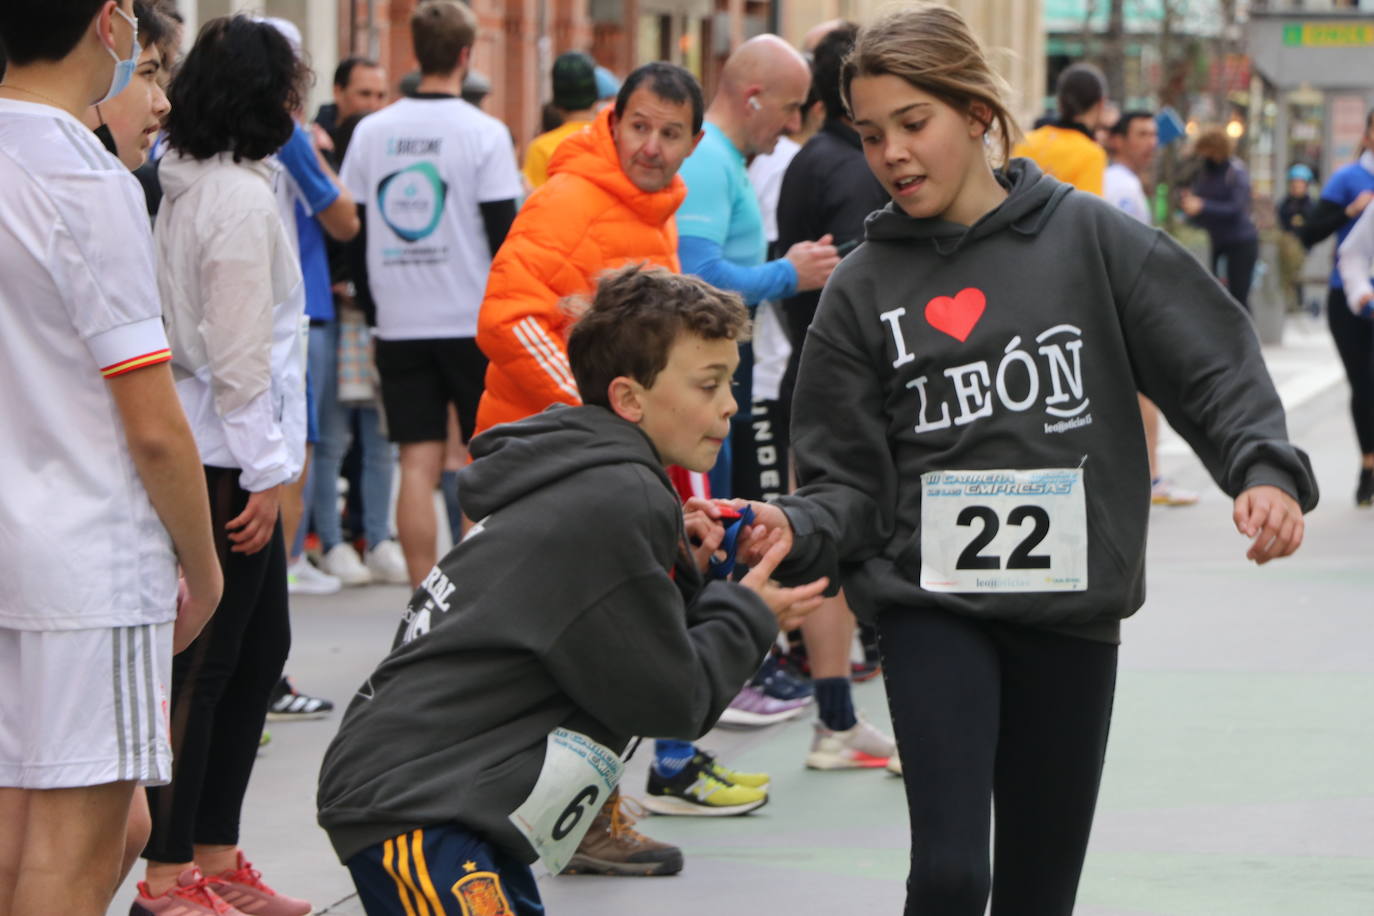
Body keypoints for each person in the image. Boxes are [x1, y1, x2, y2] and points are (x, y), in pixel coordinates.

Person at [733, 6, 1316, 914]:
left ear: (975, 112)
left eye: (913, 124)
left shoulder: (1088, 238)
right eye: (872, 133)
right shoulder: (860, 288)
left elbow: (1209, 356)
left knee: (1041, 892)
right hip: (932, 611)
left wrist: (1264, 469)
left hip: (1070, 614)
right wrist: (793, 525)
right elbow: (842, 479)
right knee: (953, 873)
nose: (891, 154)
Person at [317, 264, 826, 914]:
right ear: (629, 398)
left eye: (730, 380)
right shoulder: (620, 494)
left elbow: (622, 648)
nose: (730, 402)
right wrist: (747, 611)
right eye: (709, 384)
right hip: (416, 800)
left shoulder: (598, 479)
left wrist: (687, 570)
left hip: (444, 793)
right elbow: (674, 700)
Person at [473, 63, 772, 839]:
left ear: (694, 142)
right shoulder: (568, 198)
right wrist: (595, 418)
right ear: (613, 123)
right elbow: (507, 316)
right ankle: (565, 820)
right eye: (638, 126)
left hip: (596, 469)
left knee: (605, 641)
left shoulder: (655, 213)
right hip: (546, 468)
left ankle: (588, 817)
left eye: (670, 133)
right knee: (570, 648)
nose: (650, 145)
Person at [0, 0, 221, 912]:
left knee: (25, 835)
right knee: (77, 851)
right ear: (105, 24)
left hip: (19, 543)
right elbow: (154, 420)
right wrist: (203, 568)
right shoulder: (83, 179)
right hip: (86, 555)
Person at [135, 16, 316, 915]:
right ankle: (168, 875)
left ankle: (213, 853)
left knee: (253, 656)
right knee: (205, 671)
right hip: (227, 456)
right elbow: (242, 358)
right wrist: (267, 473)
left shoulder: (203, 180)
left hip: (227, 447)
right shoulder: (235, 200)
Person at [342, 0, 523, 588]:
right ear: (467, 57)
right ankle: (472, 599)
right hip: (470, 318)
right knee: (481, 461)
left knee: (414, 463)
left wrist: (375, 307)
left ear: (415, 53)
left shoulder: (373, 131)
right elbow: (504, 237)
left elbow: (356, 229)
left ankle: (421, 602)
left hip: (399, 319)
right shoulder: (485, 133)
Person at [768, 21, 899, 770]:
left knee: (822, 552)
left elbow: (793, 277)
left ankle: (836, 720)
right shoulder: (862, 169)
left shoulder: (808, 162)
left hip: (811, 378)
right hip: (872, 390)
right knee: (884, 556)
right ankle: (883, 725)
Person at [314, 57, 411, 588]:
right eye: (364, 93)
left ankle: (378, 537)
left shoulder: (387, 150)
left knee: (380, 439)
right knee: (332, 437)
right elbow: (335, 230)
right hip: (339, 316)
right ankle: (330, 541)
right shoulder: (319, 142)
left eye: (382, 94)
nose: (374, 104)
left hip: (382, 317)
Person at [1103, 110, 1198, 508]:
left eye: (1152, 135)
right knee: (1144, 392)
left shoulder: (1127, 183)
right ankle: (1150, 476)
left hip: (1121, 302)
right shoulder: (1118, 185)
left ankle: (1148, 474)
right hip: (1121, 304)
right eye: (1140, 134)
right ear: (1118, 139)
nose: (1150, 143)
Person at [1297, 113, 1374, 505]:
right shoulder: (1348, 180)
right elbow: (1310, 232)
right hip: (1351, 300)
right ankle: (1368, 466)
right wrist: (1350, 211)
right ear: (1367, 134)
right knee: (1365, 384)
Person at [1182, 126, 1260, 312]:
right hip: (1217, 240)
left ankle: (1244, 339)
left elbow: (1237, 208)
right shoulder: (1205, 171)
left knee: (1239, 296)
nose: (1203, 155)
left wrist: (1203, 205)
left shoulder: (1235, 171)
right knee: (1216, 296)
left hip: (1241, 242)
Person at [1011, 62, 1109, 195]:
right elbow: (1087, 213)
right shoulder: (1091, 154)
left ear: (1060, 102)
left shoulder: (1026, 141)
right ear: (1101, 103)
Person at [522, 50, 599, 190]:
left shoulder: (540, 148)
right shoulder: (613, 141)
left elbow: (535, 203)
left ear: (556, 100)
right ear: (595, 94)